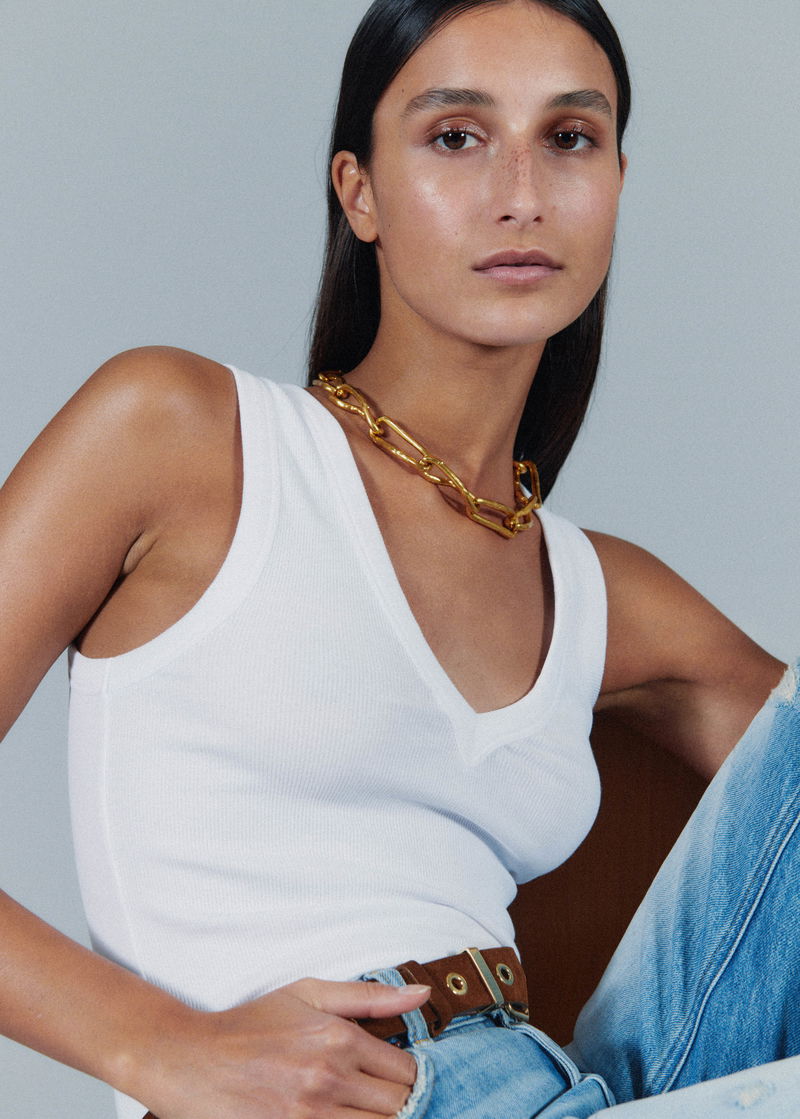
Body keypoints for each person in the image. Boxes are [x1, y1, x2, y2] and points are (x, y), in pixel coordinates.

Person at [0, 1, 796, 1117]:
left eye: (569, 138)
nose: (521, 193)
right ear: (358, 192)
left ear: (617, 181)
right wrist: (154, 1046)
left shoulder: (603, 595)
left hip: (571, 1086)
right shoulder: (187, 437)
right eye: (455, 136)